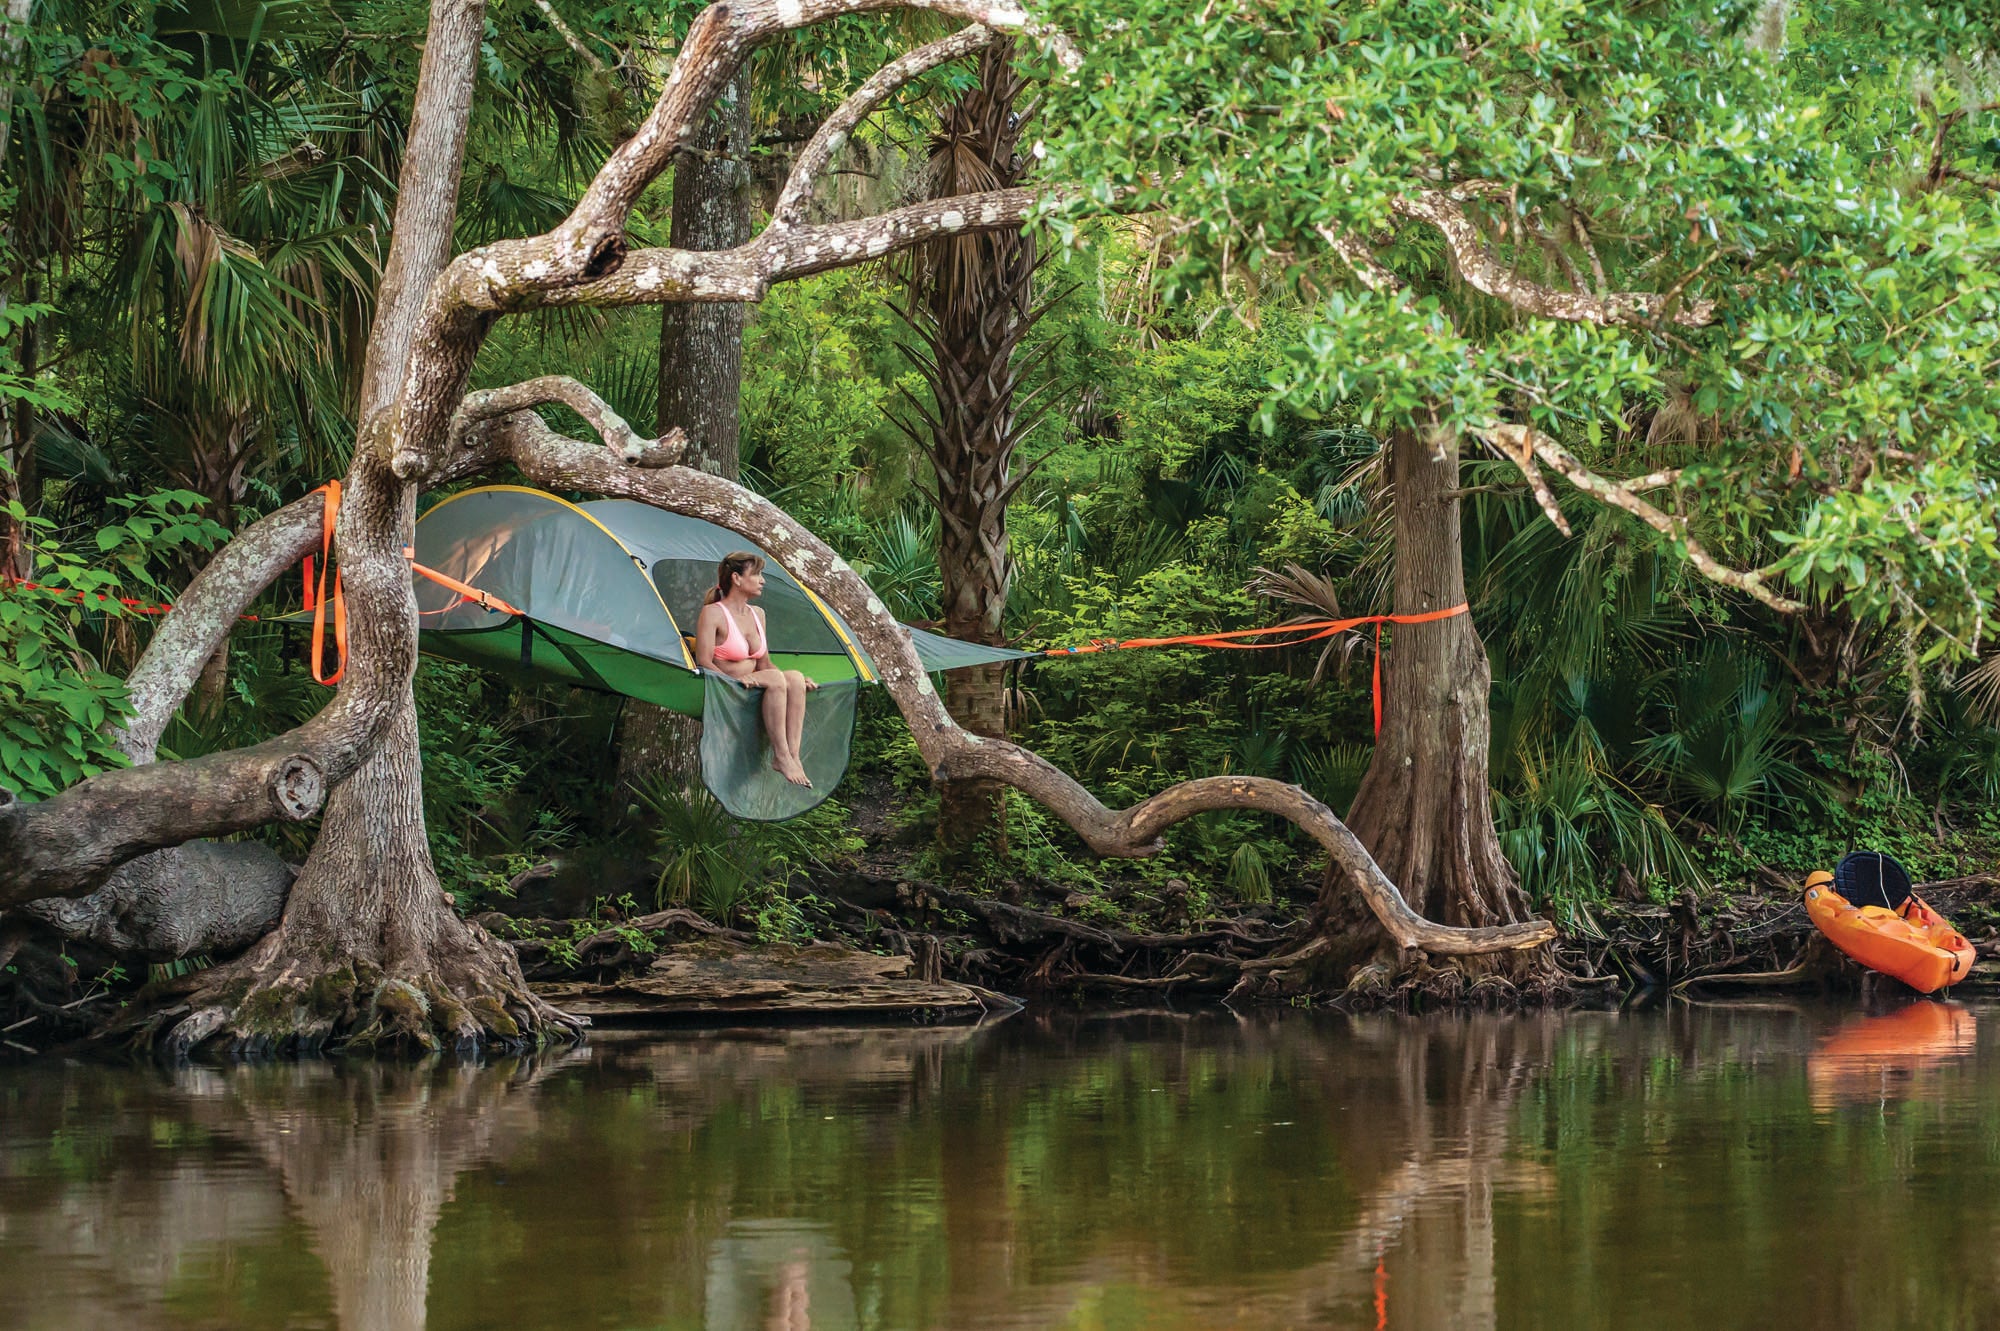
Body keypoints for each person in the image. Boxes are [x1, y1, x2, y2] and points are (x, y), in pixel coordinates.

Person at [693, 552, 817, 787]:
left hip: (758, 683)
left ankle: (792, 756)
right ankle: (780, 754)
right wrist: (732, 682)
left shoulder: (758, 614)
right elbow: (704, 660)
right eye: (757, 574)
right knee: (775, 678)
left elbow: (765, 664)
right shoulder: (713, 613)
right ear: (737, 579)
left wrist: (796, 681)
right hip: (731, 688)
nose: (763, 580)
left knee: (795, 678)